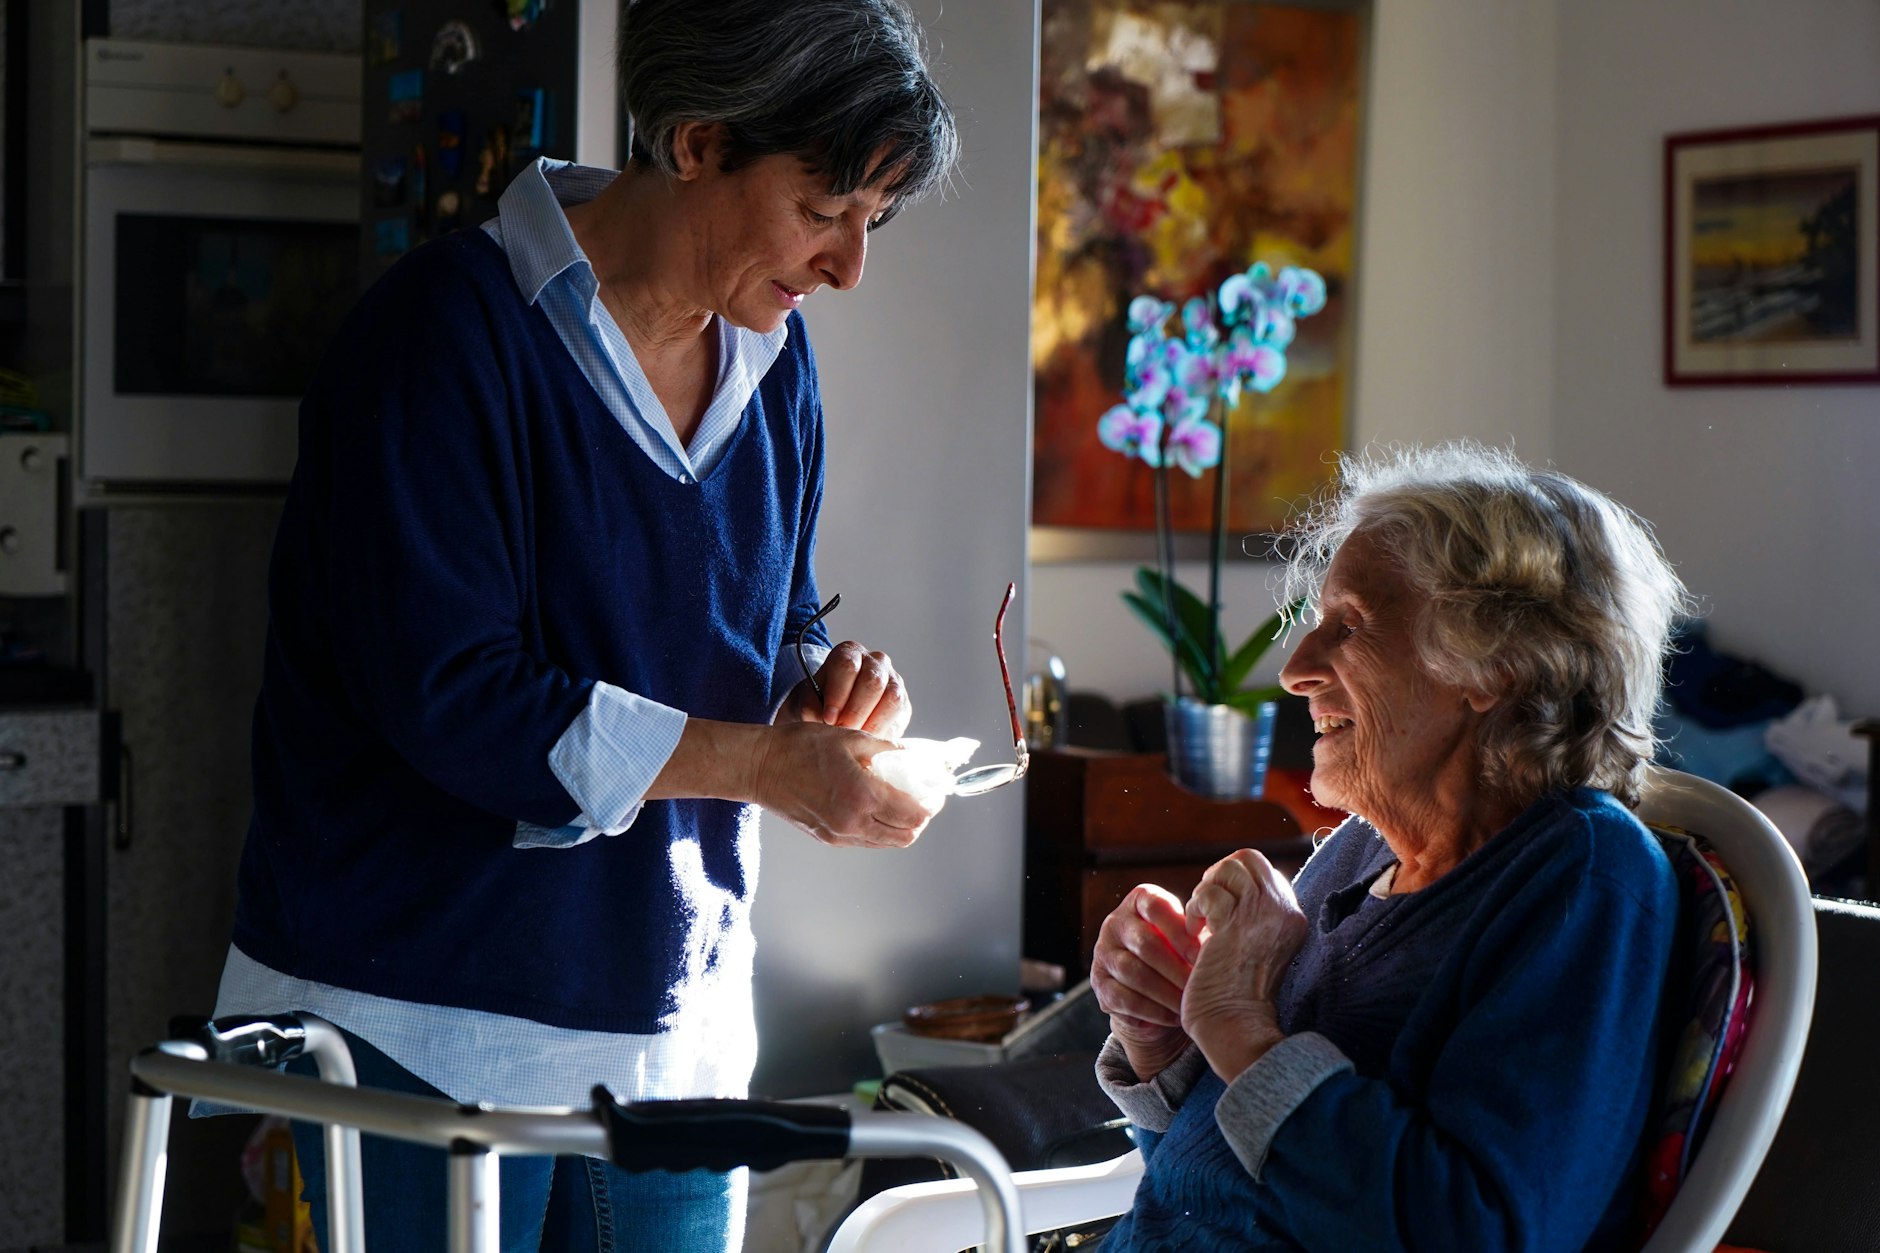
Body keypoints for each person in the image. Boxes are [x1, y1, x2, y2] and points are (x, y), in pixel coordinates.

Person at [206, 1, 959, 1249]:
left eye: (869, 224)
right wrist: (766, 766)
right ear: (699, 143)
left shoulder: (775, 367)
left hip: (673, 1020)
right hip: (420, 1018)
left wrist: (819, 687)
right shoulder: (442, 337)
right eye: (824, 212)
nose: (846, 268)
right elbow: (456, 695)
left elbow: (768, 613)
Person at [1089, 441, 1698, 1251]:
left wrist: (1236, 1021)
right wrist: (1163, 1041)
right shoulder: (1356, 853)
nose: (1295, 670)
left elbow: (1472, 1231)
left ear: (1494, 665)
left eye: (1349, 626)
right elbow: (1210, 1184)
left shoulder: (1584, 876)